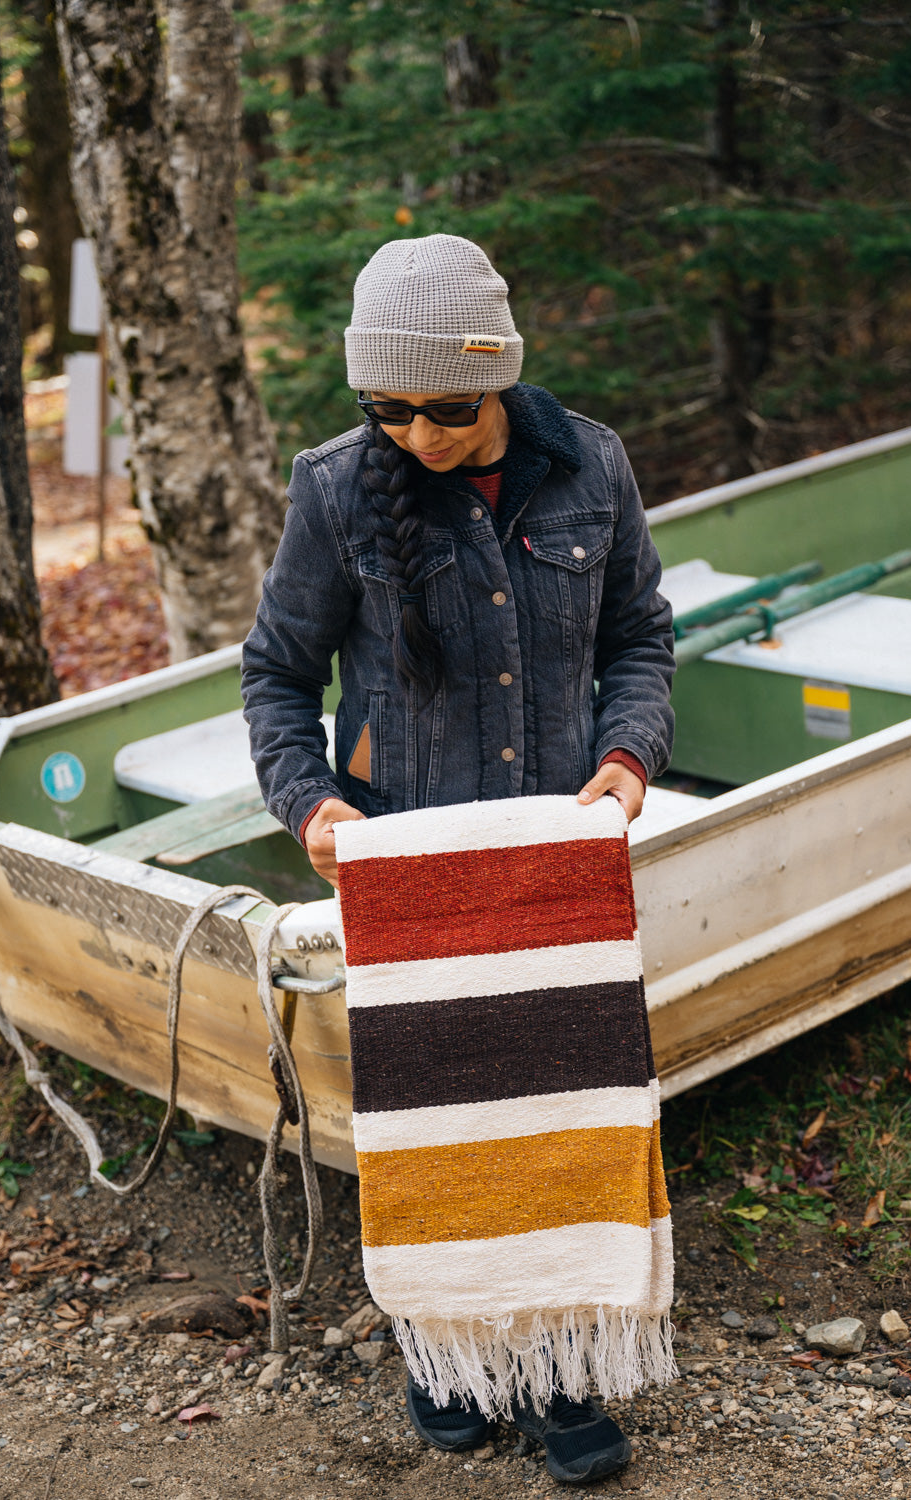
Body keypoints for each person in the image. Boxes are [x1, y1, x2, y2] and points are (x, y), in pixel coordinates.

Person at [241, 233, 676, 1485]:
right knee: (433, 1118)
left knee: (554, 1107)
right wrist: (313, 806)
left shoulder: (590, 464)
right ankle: (448, 1350)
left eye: (443, 406)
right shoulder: (334, 488)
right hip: (408, 861)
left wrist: (628, 759)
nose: (416, 435)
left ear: (497, 375)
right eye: (387, 409)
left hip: (554, 859)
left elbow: (639, 636)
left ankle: (554, 1366)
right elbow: (276, 675)